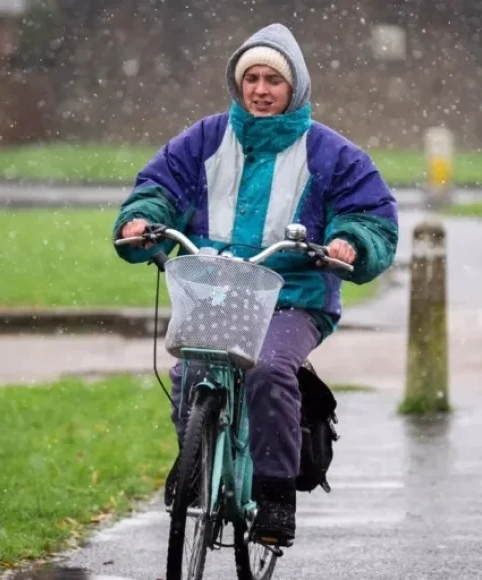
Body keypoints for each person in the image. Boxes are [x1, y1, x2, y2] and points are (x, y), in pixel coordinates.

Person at [112, 23, 398, 547]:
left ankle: (274, 495)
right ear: (238, 84)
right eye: (252, 79)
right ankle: (196, 462)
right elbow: (158, 187)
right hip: (215, 290)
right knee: (189, 367)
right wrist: (142, 223)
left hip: (295, 299)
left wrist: (349, 244)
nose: (261, 90)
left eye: (274, 81)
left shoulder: (332, 154)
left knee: (268, 368)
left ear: (296, 90)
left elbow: (372, 215)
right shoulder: (203, 140)